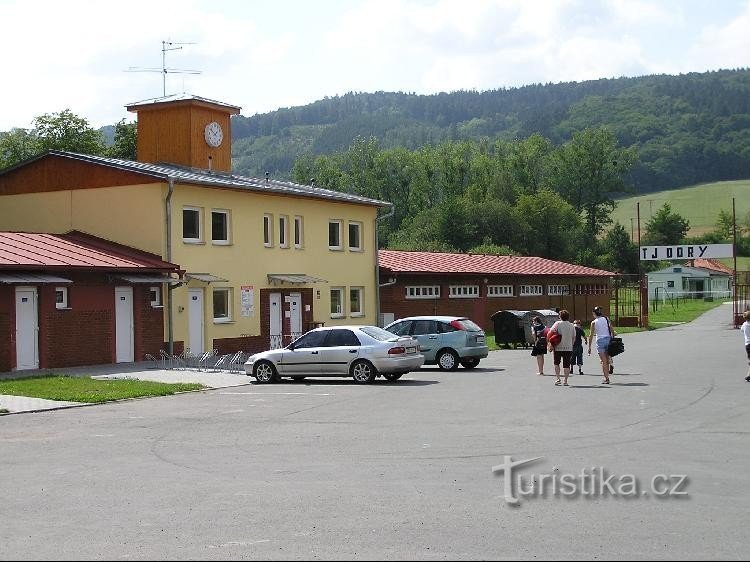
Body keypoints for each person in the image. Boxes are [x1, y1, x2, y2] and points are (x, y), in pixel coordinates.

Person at [548, 310, 577, 386]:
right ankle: (565, 381)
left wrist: (549, 343)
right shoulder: (571, 325)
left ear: (560, 317)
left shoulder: (557, 323)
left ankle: (558, 379)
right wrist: (571, 344)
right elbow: (574, 337)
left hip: (558, 347)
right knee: (566, 365)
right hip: (568, 347)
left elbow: (549, 333)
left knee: (556, 363)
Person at [587, 306, 614, 384]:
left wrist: (589, 347)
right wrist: (613, 339)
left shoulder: (594, 322)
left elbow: (591, 335)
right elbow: (611, 330)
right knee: (607, 359)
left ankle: (606, 378)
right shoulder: (606, 319)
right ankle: (607, 375)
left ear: (594, 313)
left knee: (603, 361)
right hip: (608, 339)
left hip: (600, 341)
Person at [742, 310, 750, 382]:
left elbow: (742, 330)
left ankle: (749, 374)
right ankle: (749, 375)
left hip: (747, 345)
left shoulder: (744, 324)